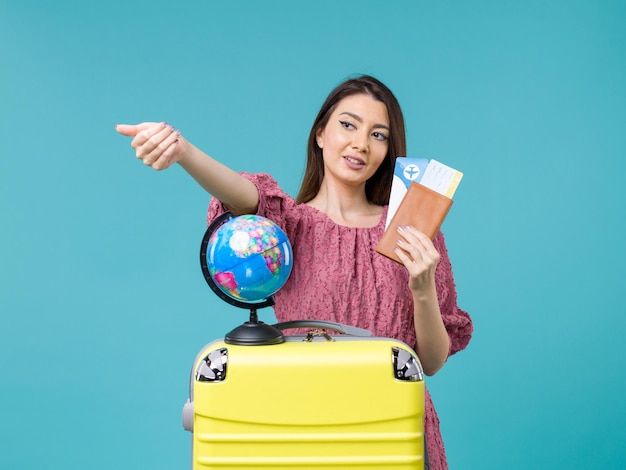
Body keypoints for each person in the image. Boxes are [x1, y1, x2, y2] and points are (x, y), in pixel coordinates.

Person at [116, 74, 473, 469]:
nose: (360, 144)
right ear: (320, 133)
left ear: (389, 150)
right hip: (304, 423)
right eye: (348, 124)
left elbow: (432, 361)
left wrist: (422, 287)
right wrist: (182, 150)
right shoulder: (286, 227)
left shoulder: (413, 231)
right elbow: (240, 193)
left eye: (379, 135)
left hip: (393, 427)